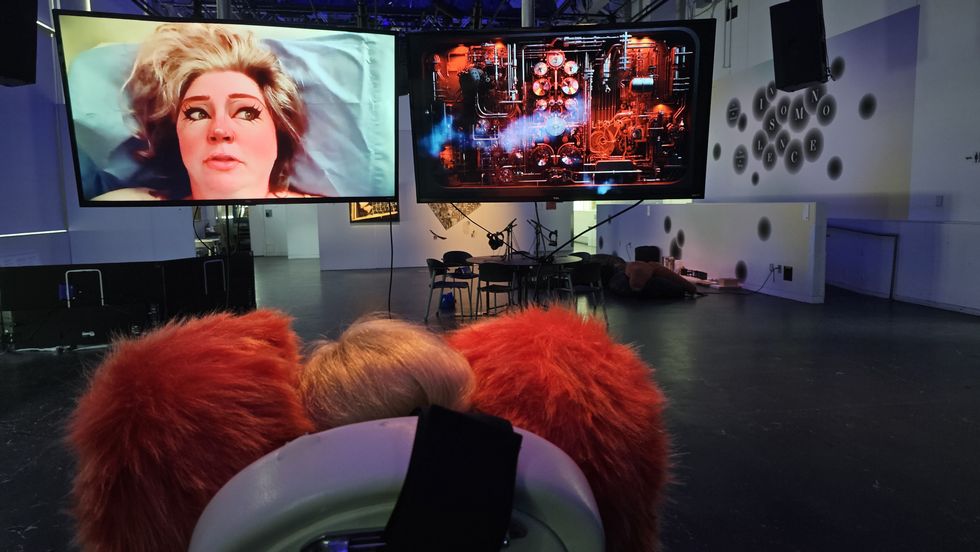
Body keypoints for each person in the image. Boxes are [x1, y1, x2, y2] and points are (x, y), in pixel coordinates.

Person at [93, 23, 311, 200]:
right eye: (197, 113)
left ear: (279, 134)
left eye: (246, 112)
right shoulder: (126, 207)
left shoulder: (332, 215)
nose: (220, 130)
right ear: (176, 136)